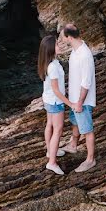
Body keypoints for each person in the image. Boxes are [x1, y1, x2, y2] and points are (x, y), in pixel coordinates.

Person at [58, 23, 96, 172]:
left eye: (62, 37)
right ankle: (73, 145)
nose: (61, 39)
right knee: (75, 122)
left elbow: (86, 82)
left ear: (69, 37)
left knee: (87, 129)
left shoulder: (85, 55)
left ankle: (90, 159)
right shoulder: (75, 50)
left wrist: (80, 102)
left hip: (83, 101)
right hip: (74, 99)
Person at [38, 34, 70, 175]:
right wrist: (70, 103)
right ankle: (51, 162)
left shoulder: (49, 63)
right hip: (55, 102)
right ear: (51, 49)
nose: (60, 45)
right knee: (58, 129)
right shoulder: (53, 67)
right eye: (57, 44)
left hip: (48, 100)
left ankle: (51, 150)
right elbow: (57, 91)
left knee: (50, 125)